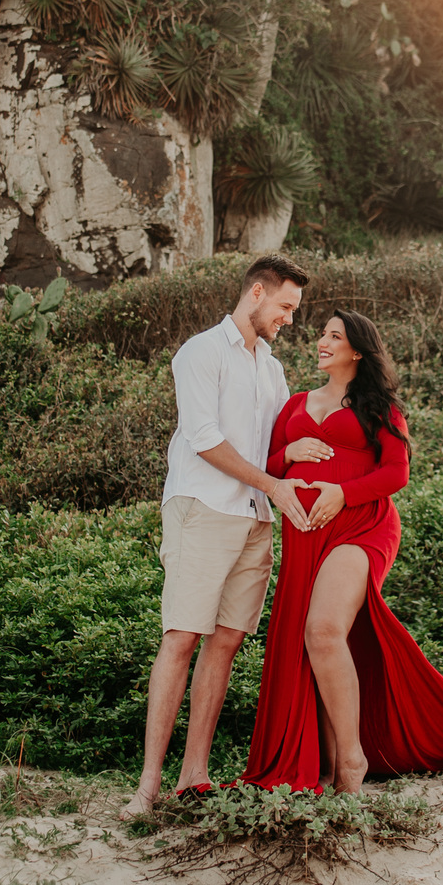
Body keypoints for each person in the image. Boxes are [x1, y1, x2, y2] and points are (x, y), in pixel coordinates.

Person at [243, 309, 443, 792]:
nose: (322, 341)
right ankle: (327, 761)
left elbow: (396, 472)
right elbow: (268, 468)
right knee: (316, 644)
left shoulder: (379, 406)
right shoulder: (296, 403)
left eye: (335, 336)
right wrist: (290, 454)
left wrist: (343, 494)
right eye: (323, 333)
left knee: (322, 631)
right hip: (305, 534)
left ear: (357, 351)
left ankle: (352, 763)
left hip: (362, 526)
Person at [120, 254, 312, 820]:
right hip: (203, 509)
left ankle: (194, 776)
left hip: (255, 518)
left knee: (225, 642)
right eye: (285, 307)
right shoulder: (200, 352)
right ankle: (147, 787)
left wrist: (296, 454)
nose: (289, 319)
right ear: (257, 293)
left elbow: (273, 444)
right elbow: (203, 439)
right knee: (182, 637)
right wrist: (273, 484)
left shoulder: (272, 369)